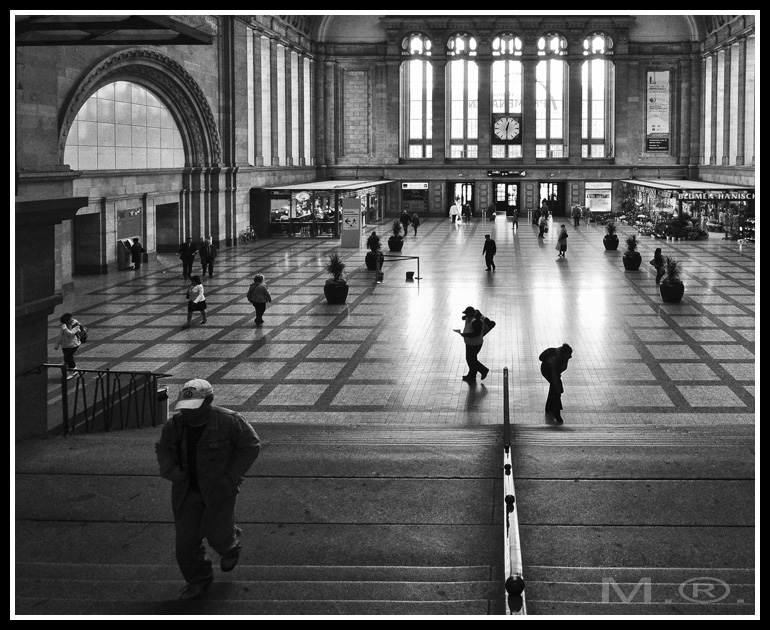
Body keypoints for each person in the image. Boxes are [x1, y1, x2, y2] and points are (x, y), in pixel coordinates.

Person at [155, 378, 260, 601]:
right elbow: (163, 449)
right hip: (187, 492)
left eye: (194, 408)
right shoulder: (176, 426)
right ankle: (199, 579)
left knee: (219, 535)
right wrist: (171, 471)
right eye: (185, 408)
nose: (188, 414)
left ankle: (230, 545)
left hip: (219, 491)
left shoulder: (229, 421)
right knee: (185, 543)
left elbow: (250, 446)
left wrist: (233, 476)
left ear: (209, 401)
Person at [453, 306, 489, 383]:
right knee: (470, 359)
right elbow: (465, 317)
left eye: (467, 314)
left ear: (471, 314)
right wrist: (465, 317)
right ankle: (471, 375)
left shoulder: (476, 322)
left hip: (475, 344)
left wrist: (466, 335)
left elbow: (477, 333)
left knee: (471, 359)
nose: (466, 315)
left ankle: (484, 370)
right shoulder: (469, 318)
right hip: (470, 343)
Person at [539, 344, 573, 425]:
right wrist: (557, 384)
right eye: (568, 356)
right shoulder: (553, 358)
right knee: (556, 389)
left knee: (554, 388)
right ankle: (556, 411)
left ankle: (549, 408)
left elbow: (561, 368)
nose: (569, 357)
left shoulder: (563, 357)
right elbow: (553, 374)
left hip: (555, 372)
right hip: (548, 371)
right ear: (563, 353)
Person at [53, 312, 82, 378]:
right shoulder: (64, 325)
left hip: (73, 344)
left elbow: (71, 334)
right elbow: (61, 334)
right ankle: (70, 368)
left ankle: (73, 370)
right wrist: (57, 344)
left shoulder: (75, 324)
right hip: (65, 344)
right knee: (67, 357)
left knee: (68, 356)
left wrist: (65, 328)